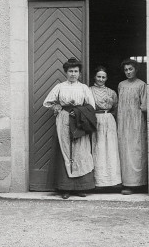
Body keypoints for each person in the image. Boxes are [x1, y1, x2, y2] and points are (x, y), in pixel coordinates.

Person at [42, 57, 97, 199]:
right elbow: (47, 102)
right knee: (65, 150)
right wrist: (57, 106)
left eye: (76, 71)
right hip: (64, 119)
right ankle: (64, 188)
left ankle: (80, 187)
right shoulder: (60, 87)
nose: (73, 74)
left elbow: (91, 107)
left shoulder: (84, 88)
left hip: (79, 121)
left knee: (80, 152)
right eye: (70, 71)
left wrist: (79, 111)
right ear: (66, 72)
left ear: (80, 73)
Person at [89, 66, 123, 191]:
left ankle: (112, 180)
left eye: (103, 77)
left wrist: (110, 117)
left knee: (110, 148)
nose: (101, 79)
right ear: (94, 77)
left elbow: (116, 107)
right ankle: (97, 181)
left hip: (108, 120)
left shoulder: (112, 92)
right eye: (99, 76)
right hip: (95, 120)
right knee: (97, 148)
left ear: (106, 78)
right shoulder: (89, 90)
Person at [117, 58, 147, 194]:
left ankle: (139, 184)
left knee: (136, 152)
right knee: (124, 152)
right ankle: (126, 184)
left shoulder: (142, 85)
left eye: (131, 69)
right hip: (123, 122)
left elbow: (145, 106)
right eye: (126, 70)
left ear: (136, 70)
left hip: (136, 122)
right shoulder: (121, 85)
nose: (128, 72)